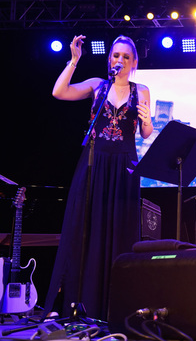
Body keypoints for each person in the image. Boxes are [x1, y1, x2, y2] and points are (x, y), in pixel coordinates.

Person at [44, 35, 153, 320]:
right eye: (116, 55)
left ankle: (115, 307)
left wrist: (147, 120)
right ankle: (82, 305)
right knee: (86, 227)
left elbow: (145, 134)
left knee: (120, 229)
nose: (120, 60)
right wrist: (75, 60)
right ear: (110, 59)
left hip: (125, 165)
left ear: (134, 62)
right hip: (94, 162)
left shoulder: (141, 90)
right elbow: (59, 91)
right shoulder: (97, 85)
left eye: (126, 57)